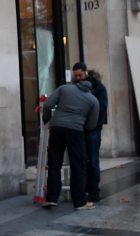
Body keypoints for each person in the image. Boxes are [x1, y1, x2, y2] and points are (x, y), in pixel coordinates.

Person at [40, 73, 100, 210]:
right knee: (78, 165)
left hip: (57, 128)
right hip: (76, 131)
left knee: (54, 163)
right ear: (92, 89)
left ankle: (51, 198)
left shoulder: (64, 88)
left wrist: (47, 118)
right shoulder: (93, 100)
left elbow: (48, 104)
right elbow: (92, 124)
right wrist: (80, 126)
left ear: (81, 82)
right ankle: (79, 201)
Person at [72, 63, 108, 203]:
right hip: (79, 127)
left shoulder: (99, 87)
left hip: (93, 128)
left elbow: (102, 108)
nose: (78, 78)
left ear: (86, 72)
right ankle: (83, 190)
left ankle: (94, 190)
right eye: (76, 76)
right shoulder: (76, 87)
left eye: (80, 75)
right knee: (82, 161)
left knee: (92, 161)